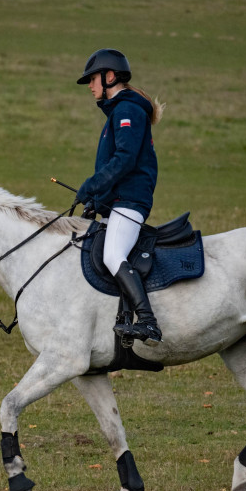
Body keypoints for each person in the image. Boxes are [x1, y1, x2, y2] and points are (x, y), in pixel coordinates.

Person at [75, 48, 165, 346]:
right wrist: (96, 202)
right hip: (119, 201)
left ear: (109, 76)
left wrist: (92, 185)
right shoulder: (119, 111)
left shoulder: (127, 111)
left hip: (131, 201)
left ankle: (149, 323)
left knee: (113, 255)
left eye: (93, 79)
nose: (90, 85)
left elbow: (125, 160)